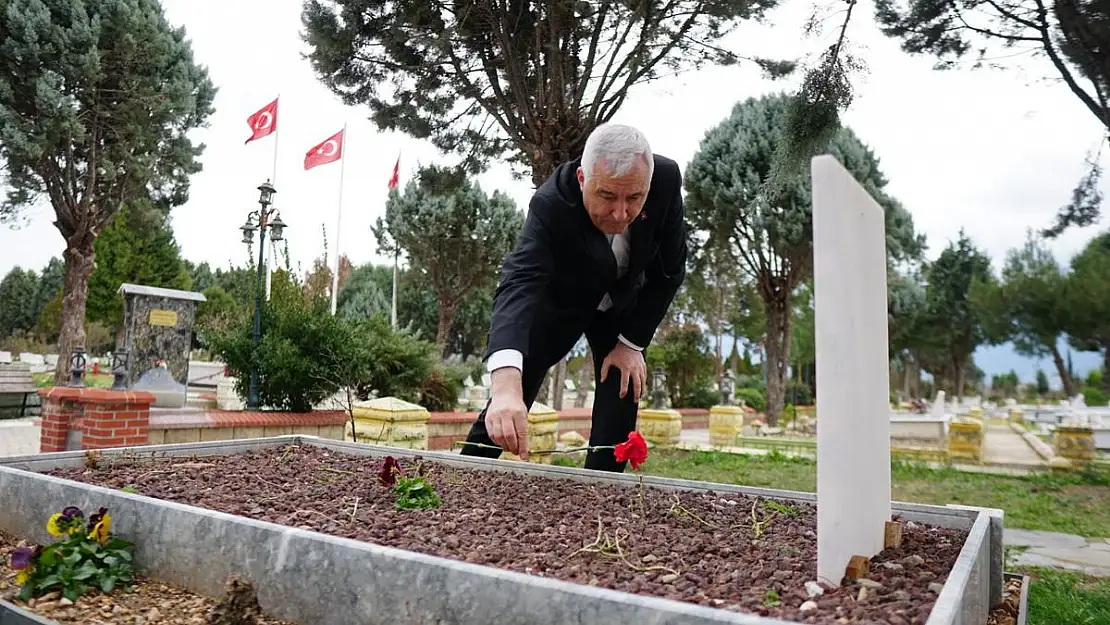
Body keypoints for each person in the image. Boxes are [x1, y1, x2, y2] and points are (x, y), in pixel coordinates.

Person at [459, 123, 687, 472]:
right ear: (582, 178)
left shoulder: (667, 180)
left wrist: (631, 343)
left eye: (635, 198)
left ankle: (603, 494)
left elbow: (670, 271)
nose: (622, 213)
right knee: (513, 392)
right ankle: (465, 475)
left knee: (622, 389)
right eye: (607, 196)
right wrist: (505, 385)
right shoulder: (551, 203)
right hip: (562, 303)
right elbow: (520, 281)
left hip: (623, 308)